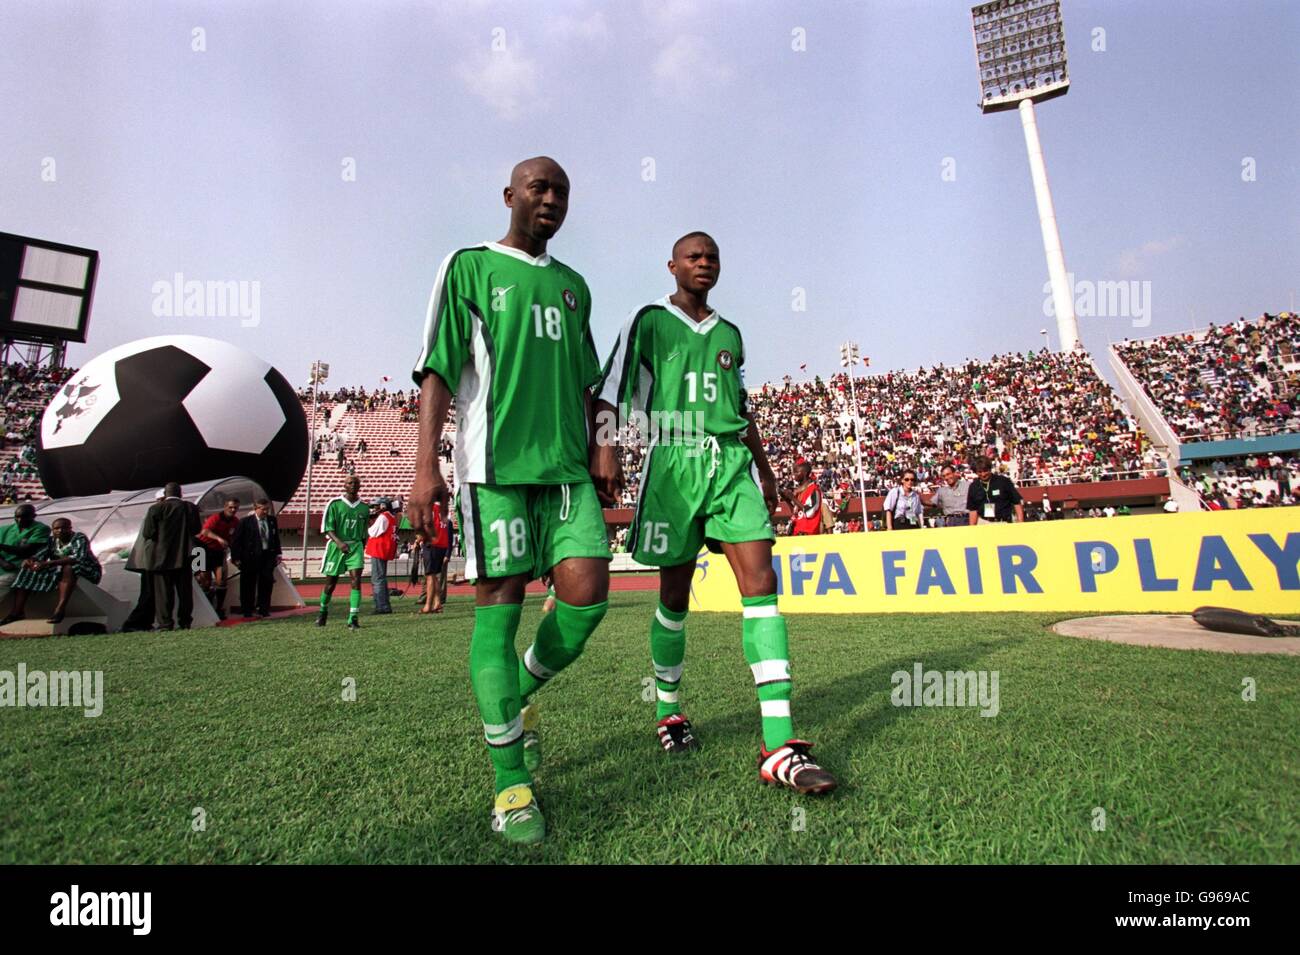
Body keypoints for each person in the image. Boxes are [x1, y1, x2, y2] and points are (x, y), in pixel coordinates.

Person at [407, 156, 611, 845]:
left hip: (565, 474)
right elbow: (438, 367)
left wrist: (603, 443)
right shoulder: (467, 266)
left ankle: (515, 694)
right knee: (497, 618)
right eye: (539, 188)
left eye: (561, 191)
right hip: (492, 471)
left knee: (586, 601)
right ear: (511, 196)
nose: (551, 199)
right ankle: (510, 785)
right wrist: (422, 467)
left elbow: (590, 383)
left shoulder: (575, 287)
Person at [594, 231, 837, 795]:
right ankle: (670, 712)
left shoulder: (731, 333)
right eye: (693, 257)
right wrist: (605, 447)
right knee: (674, 597)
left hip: (730, 465)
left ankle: (779, 744)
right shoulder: (648, 319)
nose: (704, 264)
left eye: (712, 257)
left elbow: (741, 408)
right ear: (672, 265)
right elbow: (610, 387)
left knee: (762, 583)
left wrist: (767, 470)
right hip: (673, 462)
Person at [4, 517, 101, 624]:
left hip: (88, 569)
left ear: (70, 528)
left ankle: (60, 609)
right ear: (52, 530)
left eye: (64, 528)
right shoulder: (52, 540)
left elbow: (78, 558)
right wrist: (31, 561)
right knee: (29, 569)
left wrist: (48, 563)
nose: (60, 531)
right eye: (56, 528)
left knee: (68, 567)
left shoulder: (79, 538)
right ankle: (17, 611)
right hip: (60, 569)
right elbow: (41, 555)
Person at [141, 482, 203, 630]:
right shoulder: (190, 508)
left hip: (160, 558)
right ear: (180, 493)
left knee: (163, 594)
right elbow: (196, 530)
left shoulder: (155, 509)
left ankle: (165, 624)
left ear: (165, 495)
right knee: (185, 592)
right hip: (184, 556)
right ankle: (185, 622)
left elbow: (148, 533)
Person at [317, 474, 369, 630]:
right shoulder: (334, 504)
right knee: (330, 583)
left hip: (356, 546)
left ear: (359, 486)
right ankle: (323, 612)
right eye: (350, 482)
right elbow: (328, 528)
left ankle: (353, 618)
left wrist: (362, 545)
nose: (353, 485)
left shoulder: (364, 507)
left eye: (356, 483)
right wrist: (339, 542)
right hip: (336, 546)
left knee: (356, 580)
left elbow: (364, 529)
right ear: (344, 485)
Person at [231, 499, 282, 619]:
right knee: (248, 584)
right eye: (262, 509)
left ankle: (263, 608)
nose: (265, 511)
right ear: (255, 508)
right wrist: (236, 557)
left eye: (267, 509)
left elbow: (275, 538)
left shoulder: (271, 520)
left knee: (266, 583)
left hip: (267, 556)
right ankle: (247, 609)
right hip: (250, 557)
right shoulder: (245, 522)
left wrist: (278, 553)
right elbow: (236, 541)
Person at [0, 503, 51, 615]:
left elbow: (25, 551)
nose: (19, 520)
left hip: (19, 568)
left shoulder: (41, 529)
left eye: (24, 516)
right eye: (17, 517)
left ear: (33, 516)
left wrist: (1, 546)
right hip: (3, 566)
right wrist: (3, 562)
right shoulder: (4, 529)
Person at [197, 497, 240, 619]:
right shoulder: (215, 518)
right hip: (202, 550)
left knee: (221, 581)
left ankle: (219, 608)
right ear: (225, 507)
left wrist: (235, 555)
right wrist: (219, 538)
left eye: (235, 507)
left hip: (219, 552)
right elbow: (205, 531)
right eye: (230, 507)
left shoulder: (235, 521)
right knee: (204, 581)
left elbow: (233, 539)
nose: (233, 510)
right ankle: (206, 608)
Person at [965, 456, 1024, 525]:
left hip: (1003, 522)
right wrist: (972, 528)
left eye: (985, 471)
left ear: (990, 469)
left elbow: (1017, 502)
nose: (983, 474)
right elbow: (973, 510)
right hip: (983, 523)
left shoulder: (1003, 481)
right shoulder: (973, 486)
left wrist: (1021, 523)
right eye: (980, 472)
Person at [365, 497, 398, 615]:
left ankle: (381, 606)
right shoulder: (391, 517)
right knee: (381, 578)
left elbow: (372, 532)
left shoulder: (383, 517)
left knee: (377, 579)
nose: (374, 509)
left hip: (379, 550)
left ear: (383, 506)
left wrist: (368, 523)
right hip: (384, 550)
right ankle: (384, 604)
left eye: (375, 506)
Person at [419, 502, 450, 614]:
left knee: (430, 576)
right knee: (434, 576)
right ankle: (437, 603)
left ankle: (428, 605)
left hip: (432, 544)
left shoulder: (431, 508)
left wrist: (419, 539)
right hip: (442, 544)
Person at [785, 458, 827, 536]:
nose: (794, 475)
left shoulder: (814, 489)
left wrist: (793, 498)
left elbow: (809, 512)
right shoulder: (799, 491)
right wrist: (787, 499)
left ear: (805, 473)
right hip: (797, 532)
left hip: (808, 534)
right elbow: (796, 513)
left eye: (797, 472)